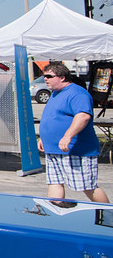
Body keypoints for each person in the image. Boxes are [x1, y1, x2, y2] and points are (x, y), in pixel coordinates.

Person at [37, 62, 109, 204]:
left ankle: (108, 216)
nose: (45, 79)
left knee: (87, 187)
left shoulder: (77, 93)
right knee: (54, 182)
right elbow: (54, 117)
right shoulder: (55, 94)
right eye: (44, 76)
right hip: (54, 149)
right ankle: (56, 215)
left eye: (49, 76)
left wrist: (67, 136)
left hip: (75, 149)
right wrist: (43, 138)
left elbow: (83, 116)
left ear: (62, 77)